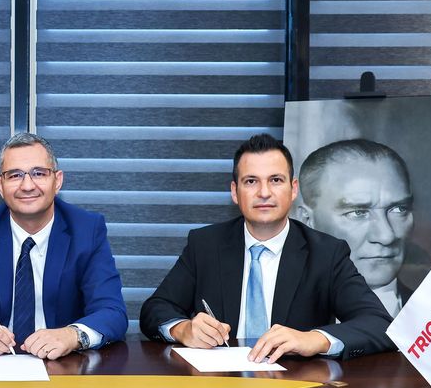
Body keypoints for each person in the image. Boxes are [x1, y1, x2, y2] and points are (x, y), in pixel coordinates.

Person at [139, 133, 392, 360]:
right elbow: (155, 309)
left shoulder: (326, 253)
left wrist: (314, 339)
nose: (264, 192)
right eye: (251, 181)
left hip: (299, 386)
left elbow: (379, 324)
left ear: (293, 189)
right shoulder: (205, 244)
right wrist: (183, 329)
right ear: (235, 192)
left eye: (275, 180)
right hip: (219, 382)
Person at [0, 133, 127, 359]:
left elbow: (112, 312)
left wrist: (73, 336)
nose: (27, 185)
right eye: (15, 175)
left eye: (39, 173)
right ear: (0, 185)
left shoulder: (87, 230)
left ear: (57, 181)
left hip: (63, 366)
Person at [294, 139, 415, 315]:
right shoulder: (274, 310)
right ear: (307, 220)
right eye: (358, 212)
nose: (386, 236)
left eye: (398, 209)